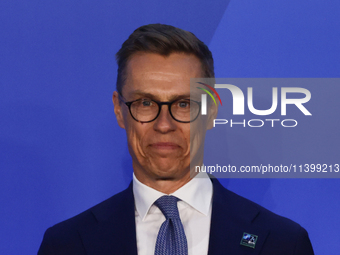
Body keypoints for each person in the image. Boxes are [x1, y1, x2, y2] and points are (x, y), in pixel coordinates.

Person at [38, 24, 314, 255]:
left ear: (211, 112)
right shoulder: (67, 243)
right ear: (119, 110)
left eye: (184, 104)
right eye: (146, 102)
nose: (164, 124)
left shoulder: (283, 242)